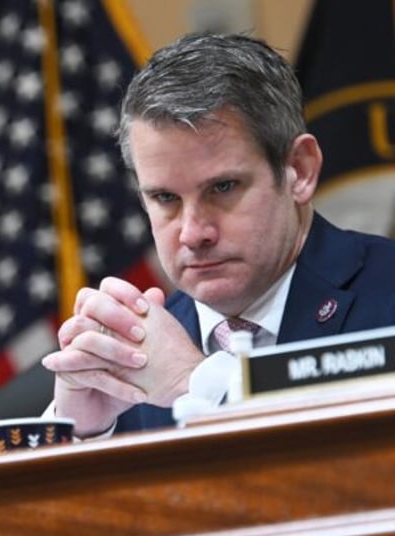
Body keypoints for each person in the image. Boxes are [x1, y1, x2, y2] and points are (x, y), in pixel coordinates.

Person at [41, 32, 395, 439]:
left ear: (299, 169)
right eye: (165, 197)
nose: (193, 233)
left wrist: (197, 383)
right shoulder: (133, 353)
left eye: (223, 188)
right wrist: (80, 437)